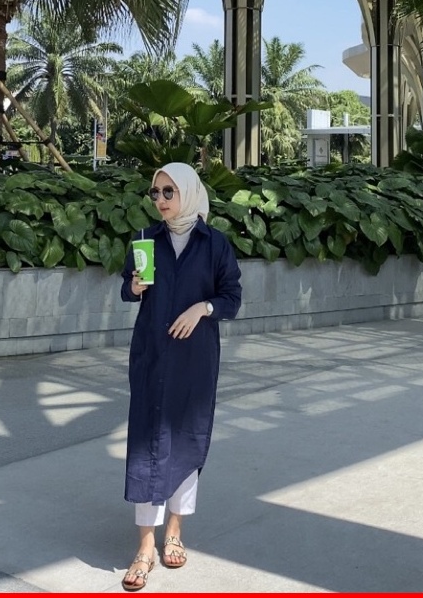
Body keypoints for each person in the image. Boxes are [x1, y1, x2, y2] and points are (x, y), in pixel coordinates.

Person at [119, 162, 242, 591]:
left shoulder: (214, 244)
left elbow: (232, 297)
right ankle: (145, 547)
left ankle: (174, 531)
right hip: (152, 355)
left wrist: (202, 309)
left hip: (194, 360)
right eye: (155, 193)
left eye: (168, 192)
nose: (161, 200)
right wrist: (134, 286)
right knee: (146, 444)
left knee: (187, 439)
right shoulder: (146, 239)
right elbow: (127, 288)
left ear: (187, 192)